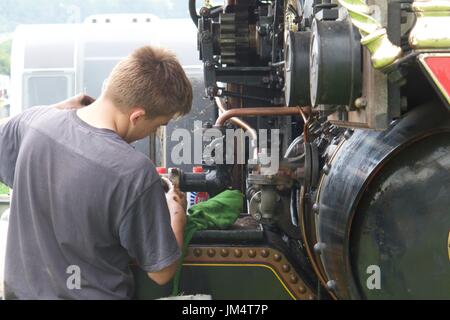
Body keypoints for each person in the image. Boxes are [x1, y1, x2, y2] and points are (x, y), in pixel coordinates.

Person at [0, 46, 192, 300]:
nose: (154, 133)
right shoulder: (133, 172)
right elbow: (161, 272)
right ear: (137, 116)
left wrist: (59, 109)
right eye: (158, 125)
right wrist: (176, 214)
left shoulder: (33, 123)